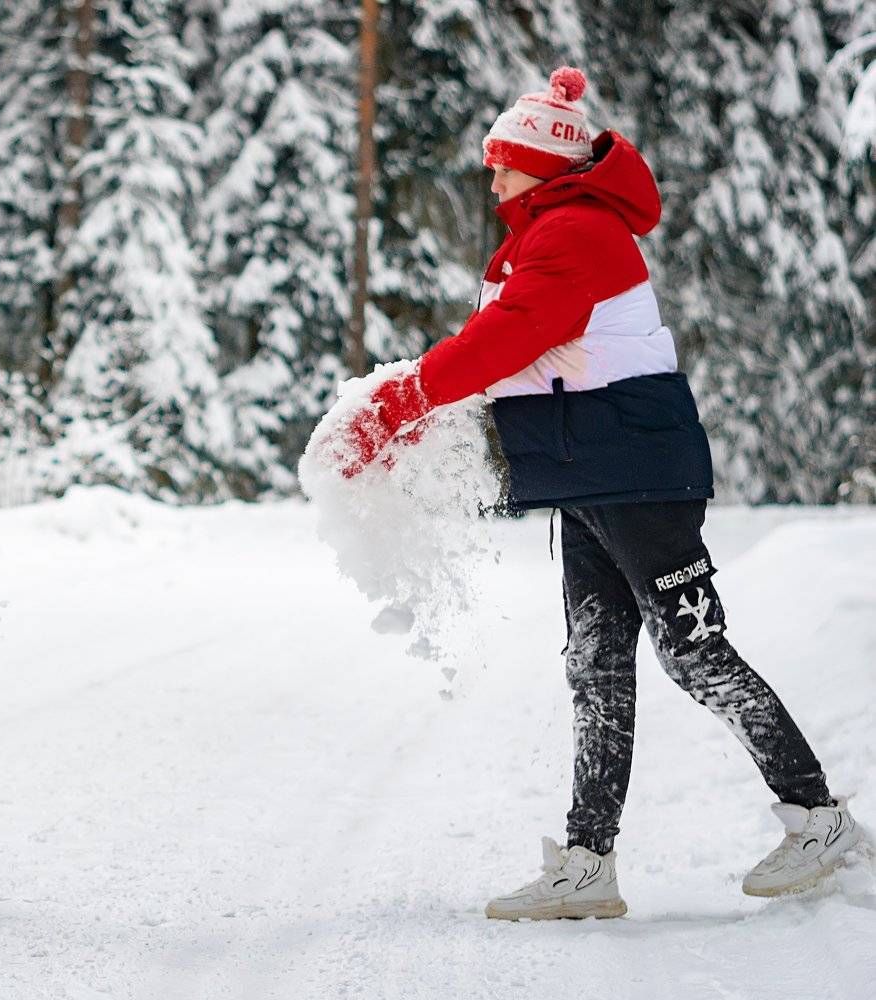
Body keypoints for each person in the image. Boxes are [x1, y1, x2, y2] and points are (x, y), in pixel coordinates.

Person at [340, 67, 861, 920]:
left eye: (504, 163)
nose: (493, 179)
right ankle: (589, 864)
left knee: (693, 652)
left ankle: (819, 819)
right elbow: (510, 348)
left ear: (543, 165)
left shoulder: (577, 231)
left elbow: (508, 337)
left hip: (638, 474)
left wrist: (401, 403)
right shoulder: (548, 230)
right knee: (595, 665)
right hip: (589, 473)